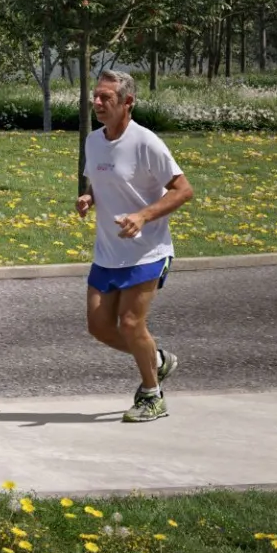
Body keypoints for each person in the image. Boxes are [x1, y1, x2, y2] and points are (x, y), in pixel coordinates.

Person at [77, 68, 191, 423]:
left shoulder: (147, 142)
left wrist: (142, 216)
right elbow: (103, 178)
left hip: (147, 251)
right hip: (108, 251)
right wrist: (89, 197)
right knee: (98, 326)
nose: (96, 102)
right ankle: (156, 360)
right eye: (95, 96)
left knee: (130, 323)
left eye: (105, 97)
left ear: (128, 102)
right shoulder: (94, 141)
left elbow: (183, 190)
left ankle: (151, 394)